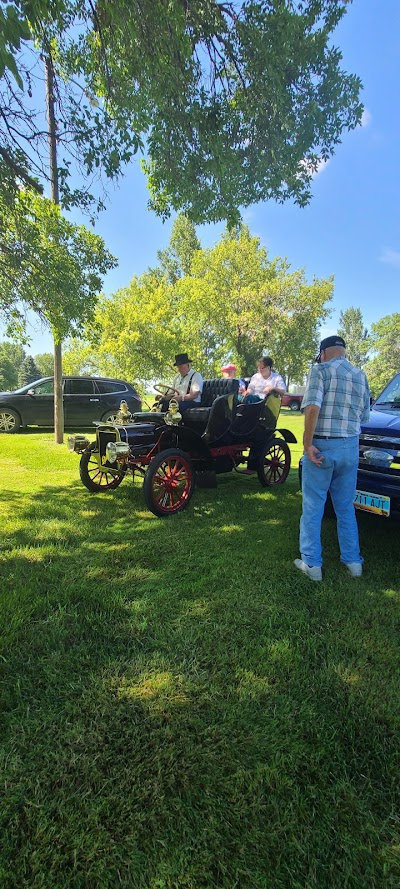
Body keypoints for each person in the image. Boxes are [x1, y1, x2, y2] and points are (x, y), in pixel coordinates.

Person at [294, 334, 371, 582]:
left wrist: (307, 444)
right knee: (346, 508)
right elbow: (365, 417)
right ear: (344, 352)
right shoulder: (361, 375)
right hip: (350, 447)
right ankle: (353, 562)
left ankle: (312, 564)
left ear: (323, 353)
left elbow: (312, 407)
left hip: (322, 448)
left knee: (313, 507)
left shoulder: (320, 370)